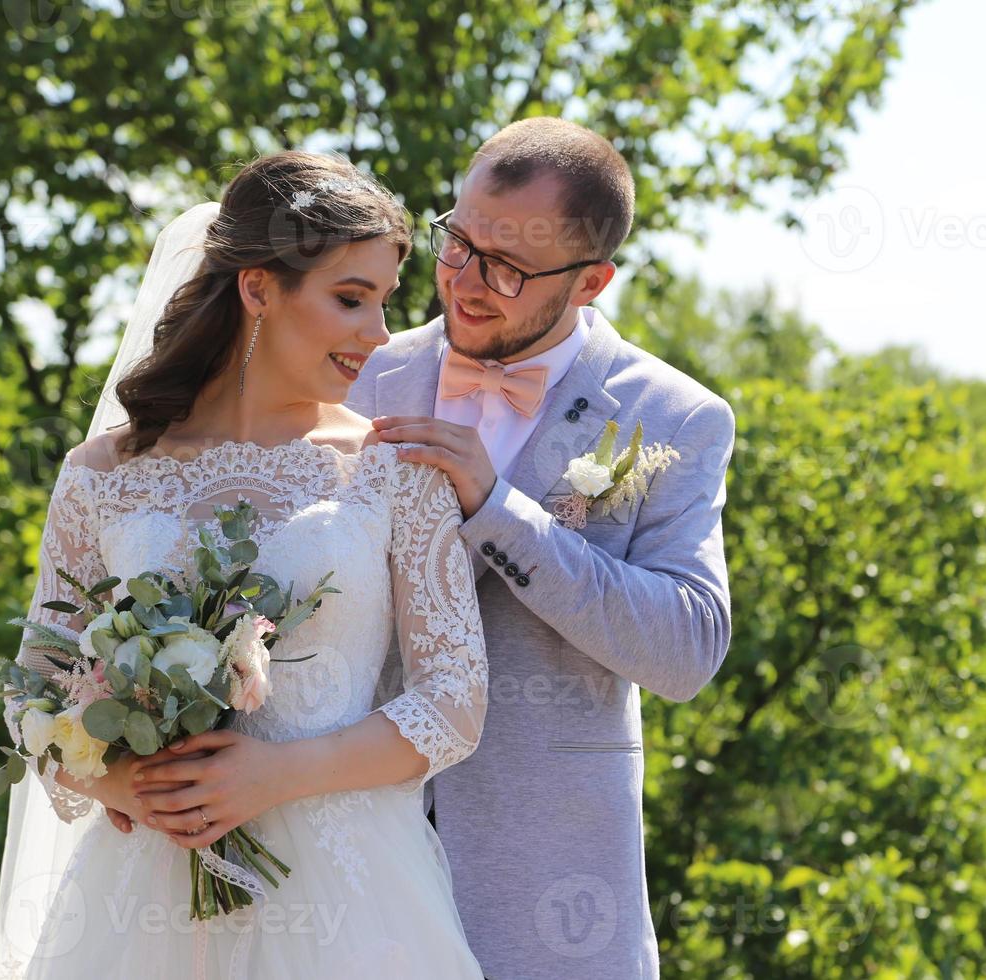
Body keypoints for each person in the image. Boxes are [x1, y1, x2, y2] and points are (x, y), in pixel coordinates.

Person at [0, 152, 488, 979]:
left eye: (385, 304)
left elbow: (456, 700)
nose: (380, 335)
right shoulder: (103, 473)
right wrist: (119, 783)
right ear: (259, 289)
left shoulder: (395, 469)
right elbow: (33, 686)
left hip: (353, 904)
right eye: (350, 299)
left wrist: (276, 775)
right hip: (139, 899)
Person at [347, 117, 737, 979]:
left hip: (550, 910)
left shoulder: (671, 419)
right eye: (459, 243)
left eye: (511, 269)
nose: (468, 283)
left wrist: (500, 507)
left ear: (592, 280)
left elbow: (686, 649)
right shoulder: (357, 372)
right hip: (348, 867)